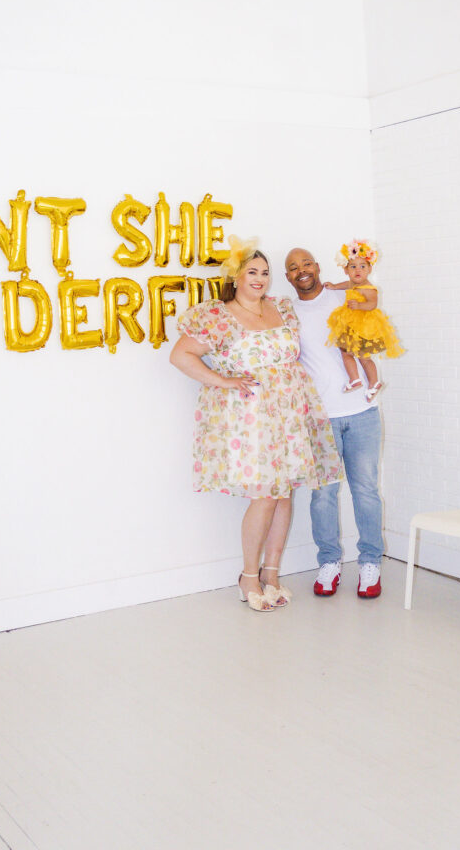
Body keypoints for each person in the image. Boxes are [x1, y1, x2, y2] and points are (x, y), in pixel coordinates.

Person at [169, 236, 342, 613]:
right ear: (237, 275)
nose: (260, 279)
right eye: (253, 272)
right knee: (264, 495)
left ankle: (273, 573)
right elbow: (180, 355)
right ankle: (248, 576)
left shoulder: (280, 307)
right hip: (251, 417)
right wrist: (226, 380)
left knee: (283, 494)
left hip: (289, 414)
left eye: (265, 272)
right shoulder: (218, 314)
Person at [284, 247, 385, 598]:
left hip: (362, 414)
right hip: (319, 419)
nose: (302, 271)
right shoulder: (285, 311)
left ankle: (370, 562)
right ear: (288, 277)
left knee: (366, 492)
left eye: (306, 263)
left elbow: (371, 295)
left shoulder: (343, 295)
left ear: (317, 267)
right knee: (323, 497)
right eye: (293, 268)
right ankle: (329, 562)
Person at [324, 238, 403, 402]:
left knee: (364, 357)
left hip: (364, 326)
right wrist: (334, 286)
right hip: (351, 324)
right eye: (352, 267)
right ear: (346, 270)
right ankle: (355, 379)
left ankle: (374, 382)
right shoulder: (353, 282)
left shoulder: (369, 287)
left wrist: (359, 305)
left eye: (362, 266)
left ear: (369, 269)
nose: (357, 270)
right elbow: (347, 284)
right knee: (345, 352)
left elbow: (373, 304)